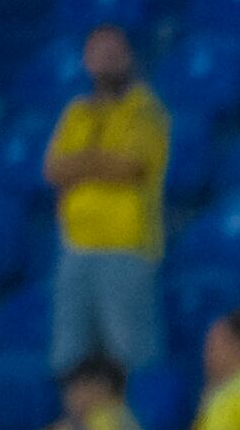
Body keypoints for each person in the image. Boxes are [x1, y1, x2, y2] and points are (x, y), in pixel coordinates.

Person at [41, 29, 166, 379]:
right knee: (70, 355)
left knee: (130, 355)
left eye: (114, 52)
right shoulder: (76, 112)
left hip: (127, 248)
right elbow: (53, 169)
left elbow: (130, 167)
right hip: (76, 249)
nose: (106, 60)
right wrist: (99, 162)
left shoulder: (145, 109)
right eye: (98, 53)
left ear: (129, 57)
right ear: (86, 62)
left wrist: (79, 164)